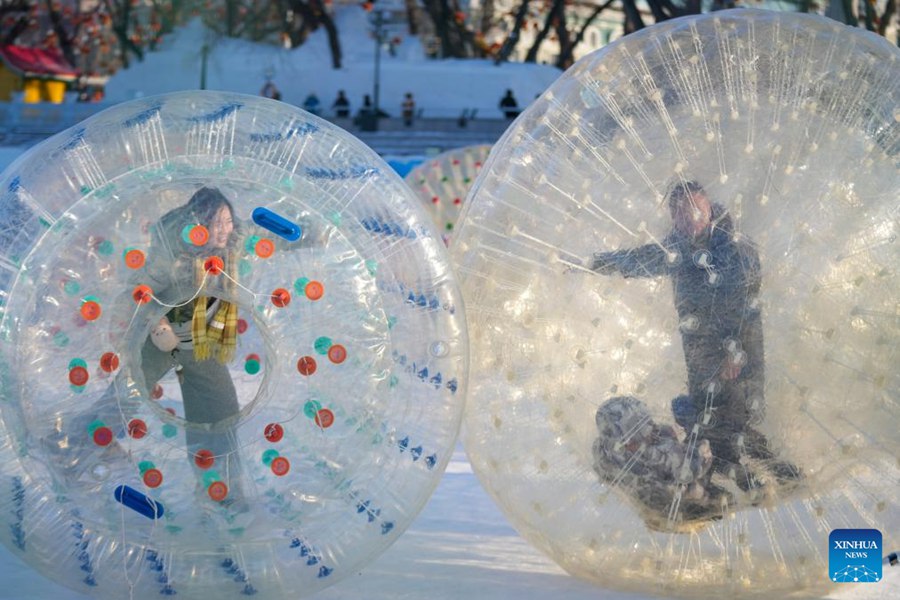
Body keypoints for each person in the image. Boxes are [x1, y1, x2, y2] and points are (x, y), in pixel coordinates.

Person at [43, 188, 277, 516]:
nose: (223, 229)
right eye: (215, 222)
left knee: (220, 414)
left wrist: (310, 233)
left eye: (227, 220)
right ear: (198, 224)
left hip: (200, 343)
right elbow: (139, 289)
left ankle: (220, 487)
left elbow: (269, 235)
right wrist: (157, 324)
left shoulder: (233, 245)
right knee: (125, 399)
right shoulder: (173, 251)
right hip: (161, 340)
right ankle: (66, 445)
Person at [585, 180, 802, 529]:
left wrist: (734, 350)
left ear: (709, 209)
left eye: (694, 211)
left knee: (733, 417)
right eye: (679, 214)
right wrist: (596, 263)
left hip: (735, 349)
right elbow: (644, 259)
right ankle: (732, 483)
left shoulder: (733, 247)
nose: (687, 220)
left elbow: (742, 302)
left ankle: (762, 478)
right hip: (699, 349)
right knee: (710, 415)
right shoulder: (680, 245)